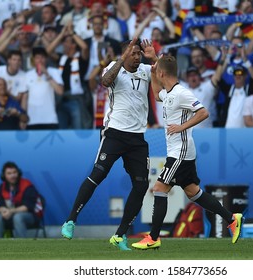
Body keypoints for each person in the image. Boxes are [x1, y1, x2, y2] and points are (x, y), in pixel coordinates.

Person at [131, 54, 243, 250]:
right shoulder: (169, 93)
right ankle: (232, 218)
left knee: (159, 188)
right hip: (180, 151)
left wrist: (182, 127)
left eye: (157, 72)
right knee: (193, 192)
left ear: (162, 73)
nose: (155, 75)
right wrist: (153, 63)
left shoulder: (182, 93)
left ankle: (154, 237)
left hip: (180, 152)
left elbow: (204, 112)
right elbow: (156, 94)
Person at [61, 38, 158, 251]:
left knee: (141, 185)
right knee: (98, 175)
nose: (136, 56)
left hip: (137, 138)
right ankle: (70, 220)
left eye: (138, 53)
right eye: (132, 53)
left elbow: (164, 87)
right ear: (123, 54)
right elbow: (105, 81)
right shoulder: (114, 69)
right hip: (114, 133)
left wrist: (155, 59)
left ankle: (120, 235)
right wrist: (121, 59)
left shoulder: (145, 70)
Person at [0, 161, 43, 238]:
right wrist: (3, 211)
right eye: (9, 173)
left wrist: (10, 211)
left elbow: (27, 207)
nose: (13, 175)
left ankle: (22, 246)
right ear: (4, 175)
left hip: (31, 217)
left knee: (18, 217)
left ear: (18, 173)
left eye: (14, 172)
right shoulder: (2, 187)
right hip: (10, 216)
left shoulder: (27, 185)